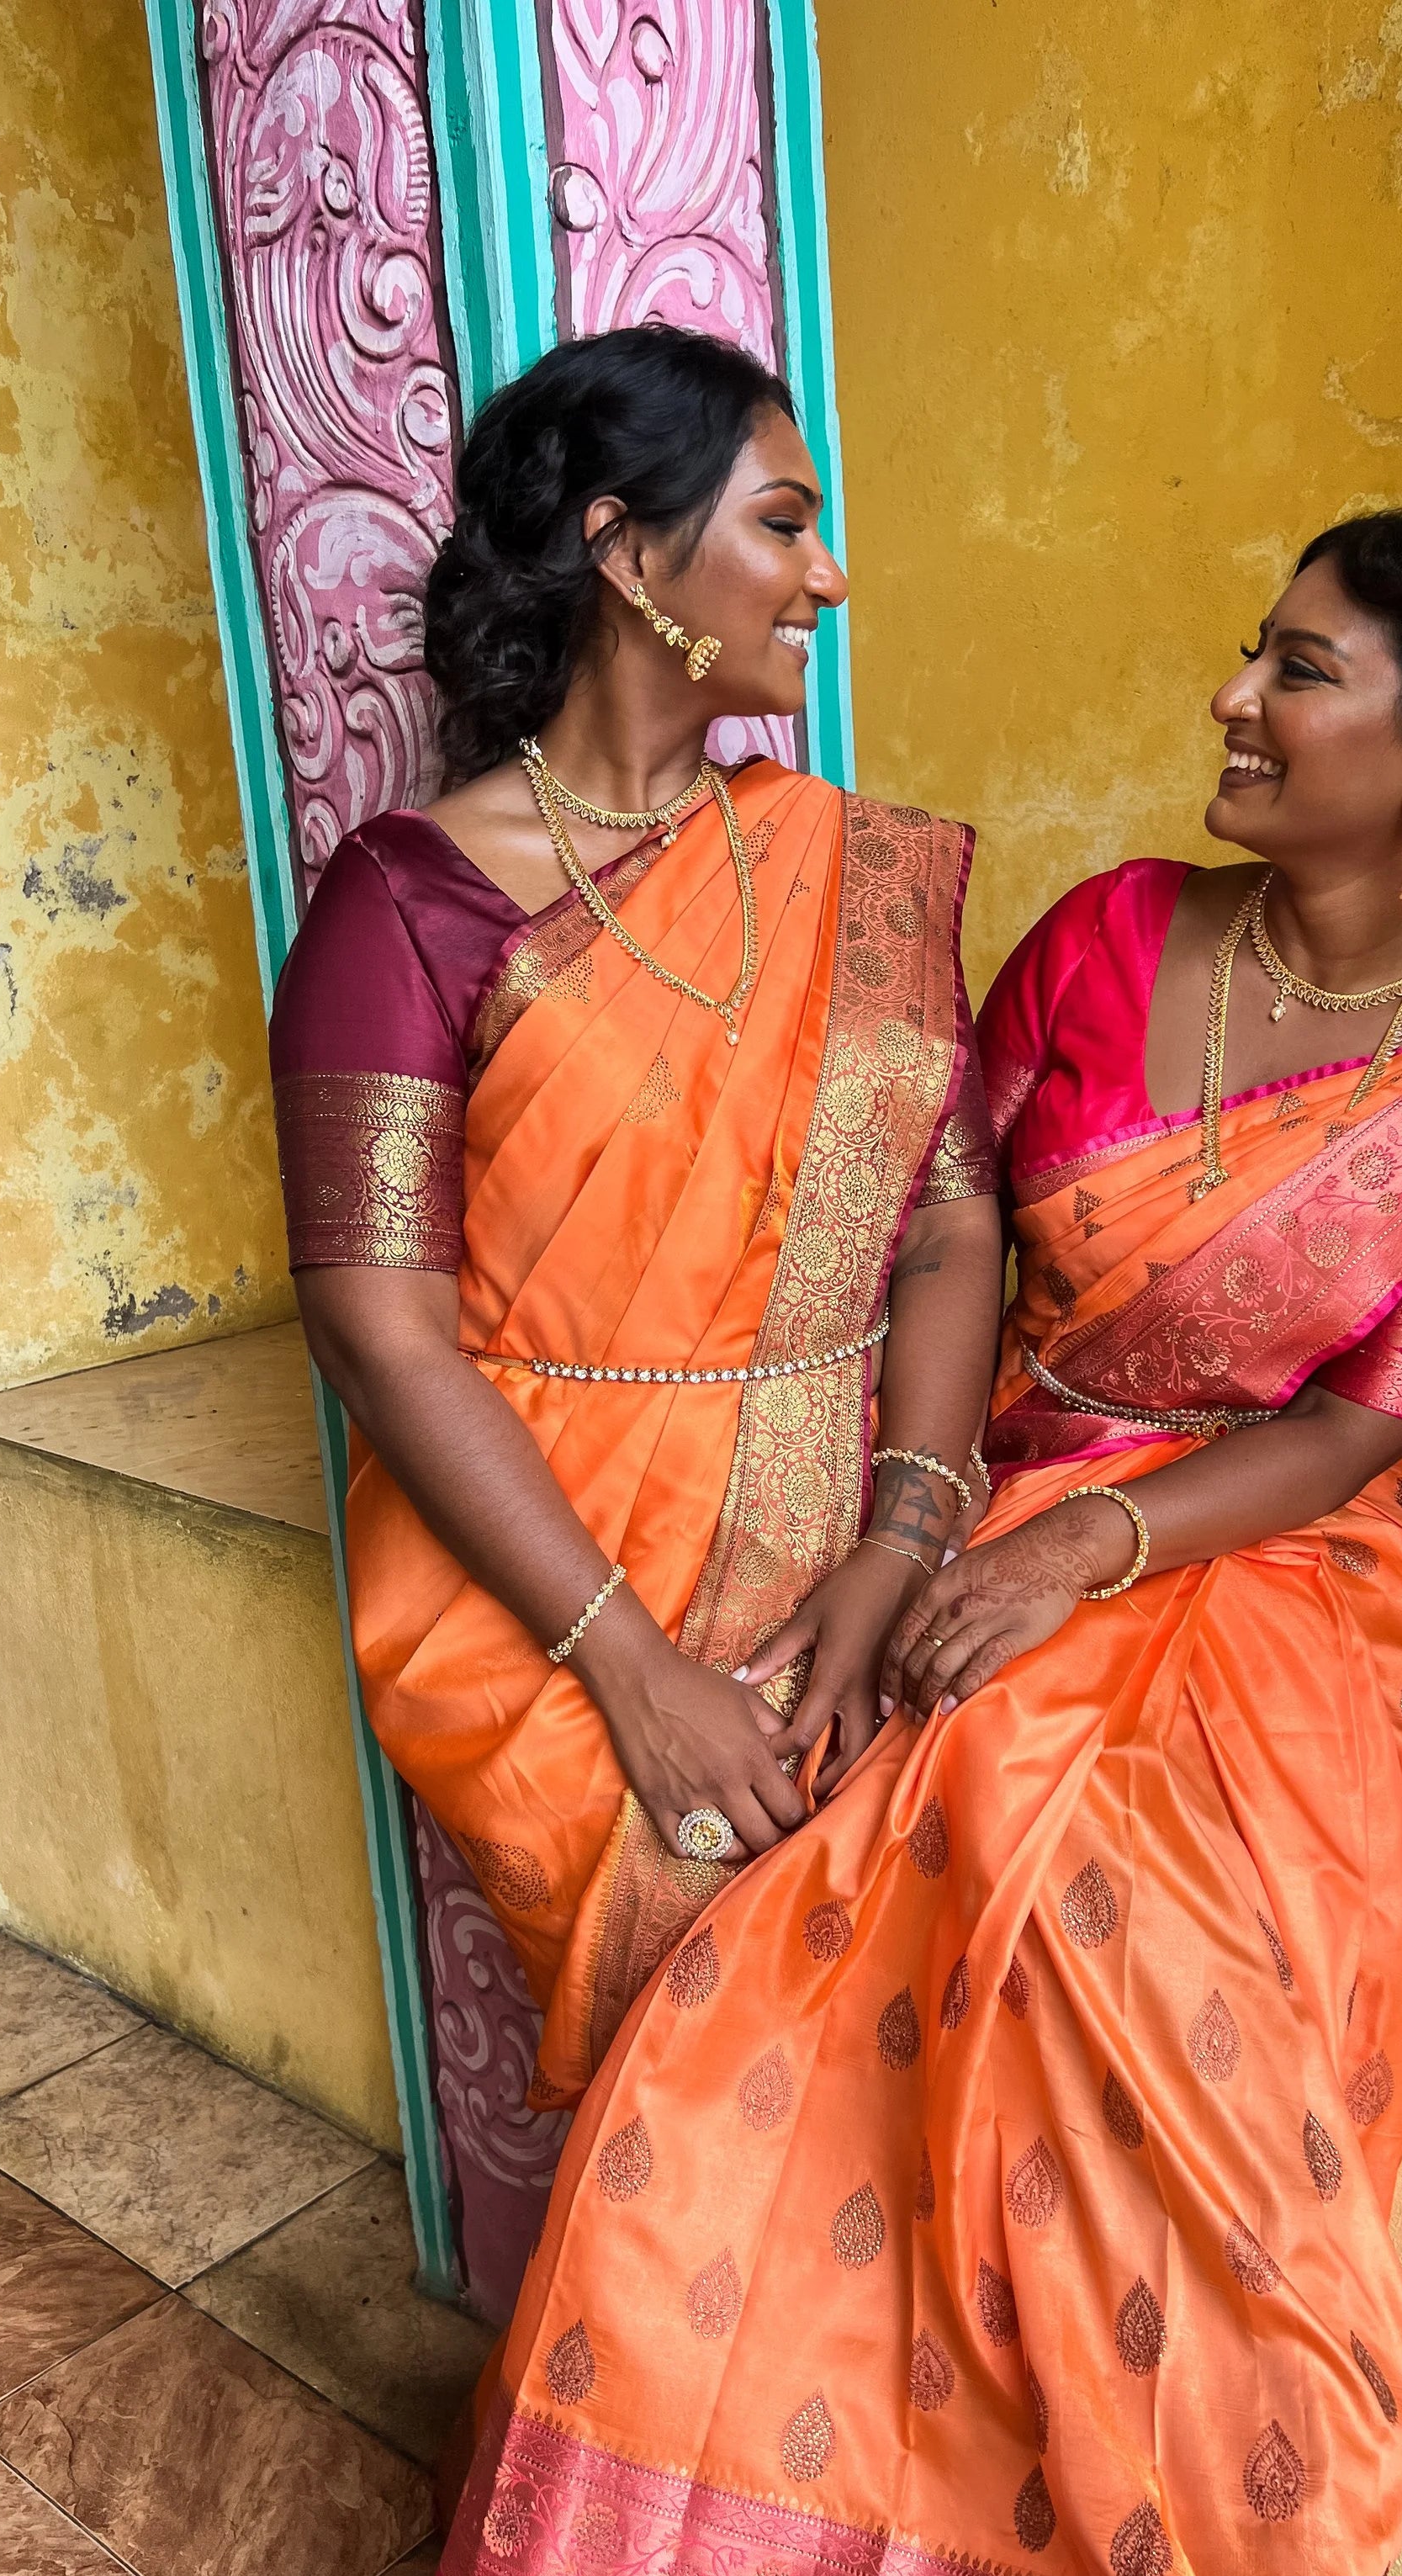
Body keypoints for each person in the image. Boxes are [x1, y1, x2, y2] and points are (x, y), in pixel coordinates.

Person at [342, 512, 1402, 2576]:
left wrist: (1101, 1550)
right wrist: (927, 1516)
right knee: (788, 1890)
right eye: (1249, 652)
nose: (1235, 703)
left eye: (1304, 673)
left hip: (1302, 1556)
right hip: (1015, 1480)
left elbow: (1366, 1429)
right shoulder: (1102, 937)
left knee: (1095, 1894)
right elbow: (944, 1241)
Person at [269, 321, 1005, 2127]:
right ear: (621, 548)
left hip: (848, 1535)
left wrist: (902, 1542)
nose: (824, 573)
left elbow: (947, 1228)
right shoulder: (414, 902)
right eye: (779, 521)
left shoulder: (851, 870)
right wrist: (634, 1667)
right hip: (554, 1576)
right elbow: (377, 1326)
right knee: (698, 2092)